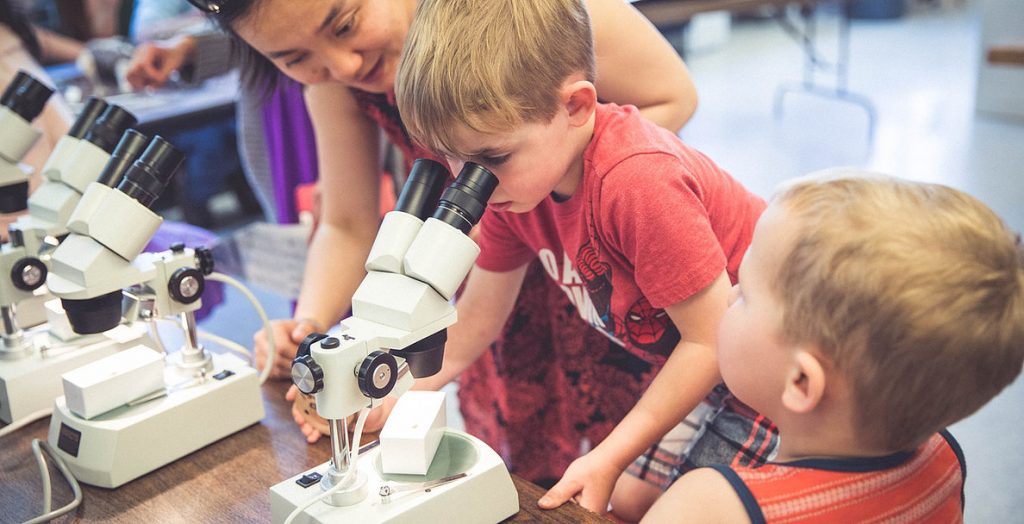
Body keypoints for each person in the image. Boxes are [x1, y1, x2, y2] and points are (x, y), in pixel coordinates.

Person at [187, 0, 705, 494]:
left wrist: (547, 190)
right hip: (497, 276)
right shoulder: (340, 85)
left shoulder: (522, 25)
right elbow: (347, 223)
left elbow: (672, 95)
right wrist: (314, 327)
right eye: (295, 59)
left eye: (343, 25)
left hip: (615, 277)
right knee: (532, 476)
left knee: (645, 473)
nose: (340, 64)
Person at [392, 0, 774, 517]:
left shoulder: (637, 182)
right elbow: (477, 321)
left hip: (773, 362)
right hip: (713, 361)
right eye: (453, 158)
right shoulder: (509, 191)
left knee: (678, 513)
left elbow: (710, 339)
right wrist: (390, 391)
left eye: (491, 158)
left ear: (576, 106)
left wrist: (610, 455)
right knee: (629, 501)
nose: (471, 182)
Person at [642, 172, 1024, 523]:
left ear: (802, 382)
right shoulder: (944, 460)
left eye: (746, 294)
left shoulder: (713, 506)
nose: (730, 297)